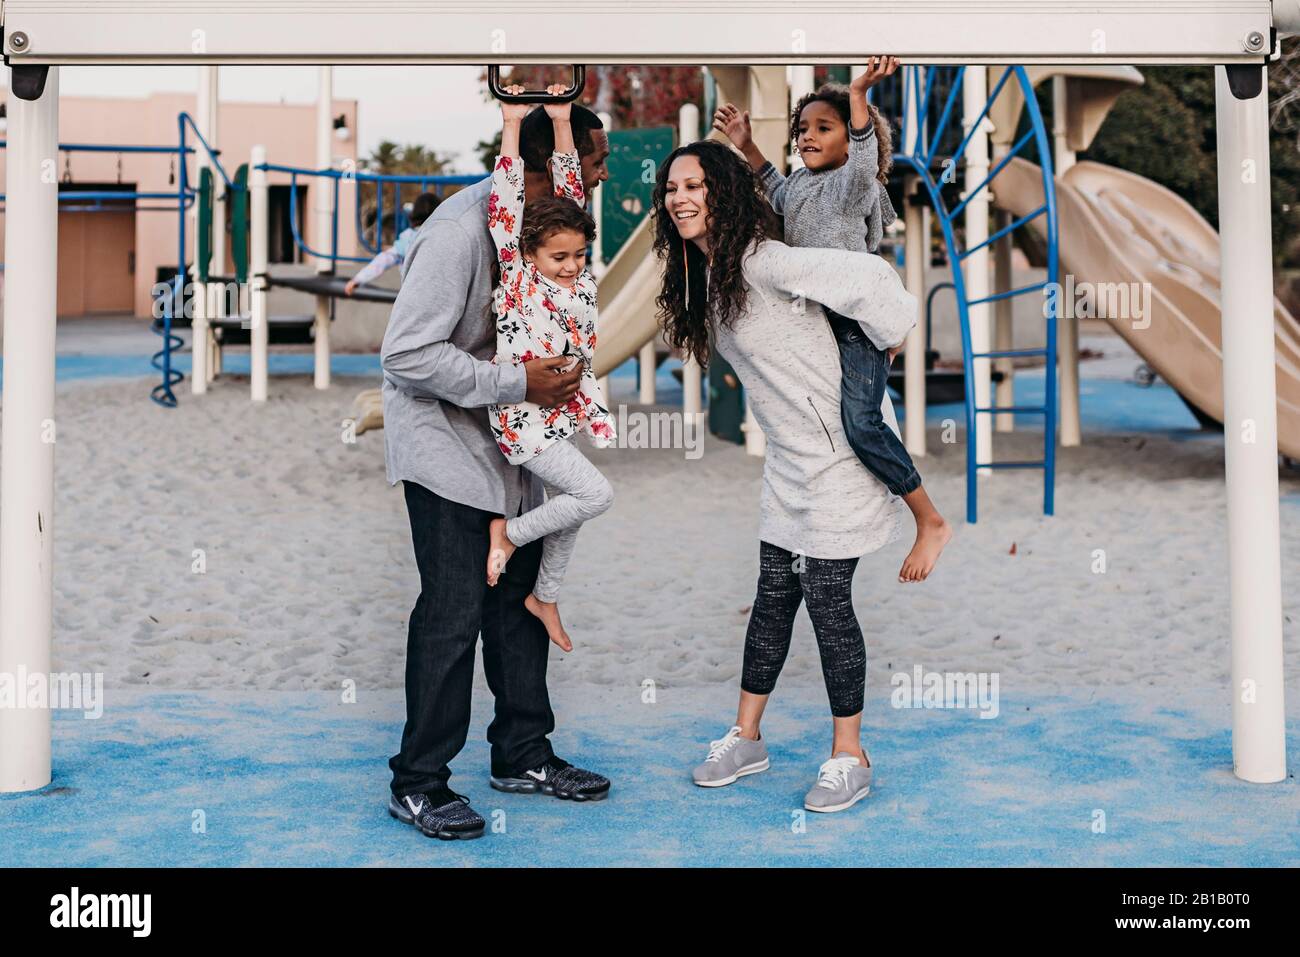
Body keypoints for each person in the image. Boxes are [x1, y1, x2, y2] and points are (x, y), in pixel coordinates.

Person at [653, 139, 916, 813]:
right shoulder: (706, 276)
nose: (679, 197)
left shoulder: (764, 261)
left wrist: (892, 332)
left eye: (695, 185)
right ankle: (747, 737)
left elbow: (869, 279)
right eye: (672, 188)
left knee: (827, 596)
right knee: (774, 594)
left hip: (840, 457)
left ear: (724, 193)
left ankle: (850, 755)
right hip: (789, 461)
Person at [379, 97, 613, 840]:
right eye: (589, 163)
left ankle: (522, 753)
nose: (597, 176)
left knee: (517, 605)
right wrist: (521, 382)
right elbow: (407, 354)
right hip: (446, 445)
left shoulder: (553, 228)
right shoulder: (457, 233)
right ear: (536, 173)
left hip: (511, 439)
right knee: (453, 610)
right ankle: (418, 782)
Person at [714, 56, 952, 584]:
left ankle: (929, 518)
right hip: (816, 321)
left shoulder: (852, 183)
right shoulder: (797, 185)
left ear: (850, 138)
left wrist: (861, 90)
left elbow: (866, 157)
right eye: (802, 129)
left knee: (862, 424)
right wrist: (743, 140)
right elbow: (769, 180)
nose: (807, 136)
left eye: (824, 128)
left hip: (856, 322)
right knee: (831, 423)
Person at [484, 85, 616, 654]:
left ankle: (546, 595)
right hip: (522, 414)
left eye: (578, 255)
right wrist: (512, 123)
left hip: (558, 410)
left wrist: (563, 120)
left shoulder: (578, 270)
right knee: (595, 494)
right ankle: (508, 535)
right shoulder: (516, 271)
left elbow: (569, 187)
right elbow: (506, 195)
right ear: (531, 252)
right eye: (559, 257)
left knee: (570, 511)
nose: (571, 265)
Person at [344, 192, 440, 296]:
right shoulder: (441, 237)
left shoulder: (409, 238)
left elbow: (383, 260)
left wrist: (358, 279)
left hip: (412, 295)